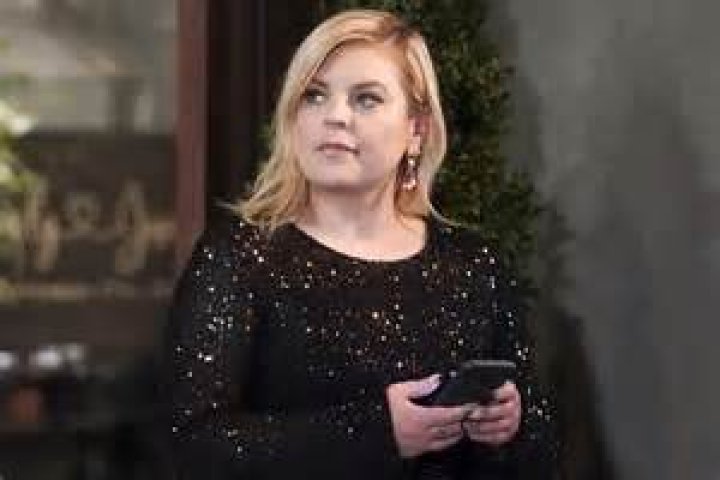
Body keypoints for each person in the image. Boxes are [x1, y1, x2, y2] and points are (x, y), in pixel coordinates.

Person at [163, 8, 558, 480]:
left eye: (366, 99)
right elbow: (194, 448)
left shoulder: (474, 266)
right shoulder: (241, 257)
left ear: (417, 129)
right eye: (314, 95)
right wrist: (376, 433)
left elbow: (539, 459)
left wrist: (509, 429)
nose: (334, 116)